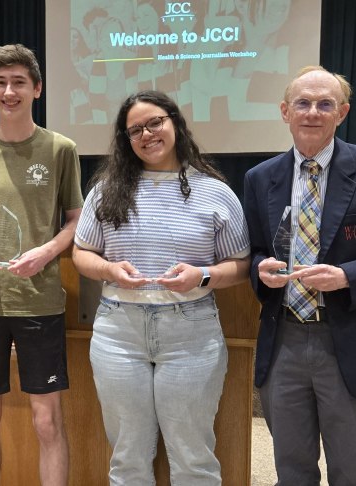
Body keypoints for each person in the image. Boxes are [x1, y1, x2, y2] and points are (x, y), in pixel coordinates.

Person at [243, 66, 356, 485]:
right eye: (303, 103)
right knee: (291, 470)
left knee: (351, 473)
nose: (313, 112)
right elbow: (252, 251)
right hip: (284, 339)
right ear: (285, 111)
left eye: (325, 104)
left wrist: (346, 275)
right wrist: (259, 269)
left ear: (342, 112)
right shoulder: (260, 178)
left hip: (352, 337)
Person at [72, 90, 250, 485]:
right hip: (119, 332)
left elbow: (240, 265)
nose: (147, 134)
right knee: (128, 459)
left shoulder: (215, 191)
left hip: (191, 330)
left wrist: (202, 275)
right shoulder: (104, 189)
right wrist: (109, 270)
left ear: (174, 123)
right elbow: (81, 254)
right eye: (135, 129)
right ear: (125, 139)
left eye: (155, 123)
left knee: (193, 457)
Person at [0, 44, 83, 486]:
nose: (10, 91)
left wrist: (45, 253)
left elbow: (74, 222)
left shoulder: (61, 149)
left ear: (37, 89)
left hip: (39, 303)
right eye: (0, 83)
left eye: (19, 82)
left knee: (46, 422)